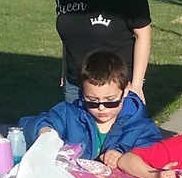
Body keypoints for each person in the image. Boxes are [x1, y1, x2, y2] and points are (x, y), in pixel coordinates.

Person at [18, 50, 162, 170]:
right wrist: (44, 131)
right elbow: (28, 124)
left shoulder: (140, 126)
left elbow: (153, 155)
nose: (101, 107)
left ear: (125, 91)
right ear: (82, 92)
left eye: (111, 101)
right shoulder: (69, 114)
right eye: (92, 101)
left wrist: (124, 157)